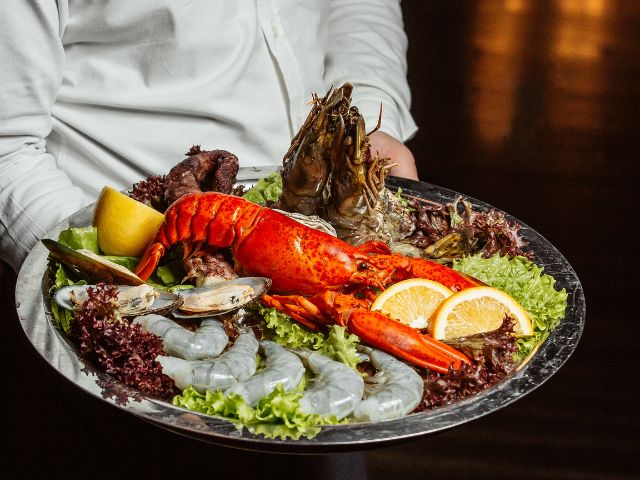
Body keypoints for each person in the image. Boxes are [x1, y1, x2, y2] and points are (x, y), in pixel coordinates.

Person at [0, 0, 417, 273]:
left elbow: (357, 6)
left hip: (329, 229)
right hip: (145, 244)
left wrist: (366, 122)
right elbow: (7, 153)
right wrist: (103, 272)